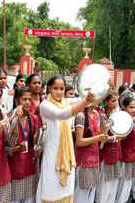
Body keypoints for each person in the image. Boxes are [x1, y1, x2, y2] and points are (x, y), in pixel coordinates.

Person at [36, 75, 96, 203]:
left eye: (62, 88)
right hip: (52, 155)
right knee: (50, 187)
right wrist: (85, 102)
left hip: (67, 155)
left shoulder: (66, 102)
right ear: (49, 89)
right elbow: (61, 114)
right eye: (55, 88)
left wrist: (96, 88)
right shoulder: (45, 105)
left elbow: (86, 99)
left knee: (66, 189)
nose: (59, 92)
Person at [8, 87, 39, 203]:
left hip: (30, 167)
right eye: (24, 99)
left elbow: (36, 142)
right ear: (16, 101)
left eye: (29, 99)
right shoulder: (9, 118)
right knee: (15, 199)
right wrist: (15, 120)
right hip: (15, 168)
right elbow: (8, 144)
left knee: (29, 198)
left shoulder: (33, 118)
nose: (27, 102)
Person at [74, 103, 107, 203]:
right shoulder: (81, 116)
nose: (99, 100)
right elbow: (79, 142)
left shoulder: (98, 114)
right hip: (84, 161)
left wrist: (105, 126)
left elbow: (101, 134)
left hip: (95, 159)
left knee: (91, 192)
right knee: (81, 194)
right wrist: (97, 138)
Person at [95, 90, 122, 203]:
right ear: (106, 102)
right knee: (104, 183)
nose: (116, 103)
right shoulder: (101, 115)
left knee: (113, 182)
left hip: (115, 152)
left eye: (117, 100)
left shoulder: (116, 115)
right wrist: (115, 138)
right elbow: (100, 137)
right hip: (105, 153)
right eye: (113, 101)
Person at [115, 97, 135, 203]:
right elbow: (120, 137)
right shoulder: (121, 118)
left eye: (134, 107)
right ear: (123, 107)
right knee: (122, 182)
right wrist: (131, 124)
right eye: (131, 107)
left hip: (132, 153)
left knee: (127, 182)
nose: (133, 110)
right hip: (124, 155)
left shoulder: (132, 118)